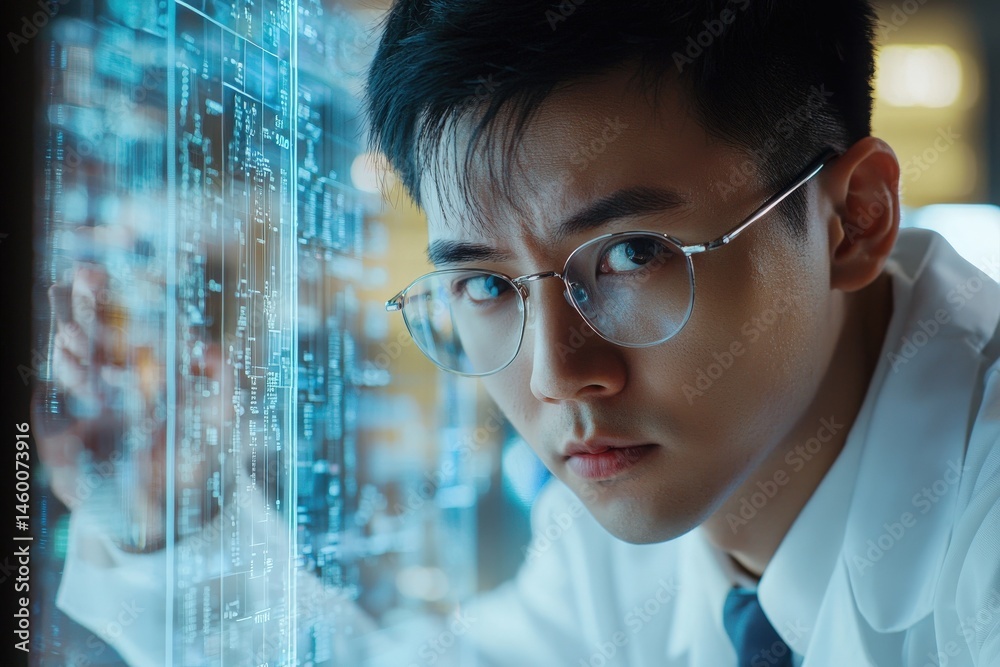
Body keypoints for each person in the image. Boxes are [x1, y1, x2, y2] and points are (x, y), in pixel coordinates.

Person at [46, 0, 1000, 665]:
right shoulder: (636, 526)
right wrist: (174, 523)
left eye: (632, 256)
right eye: (485, 284)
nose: (556, 374)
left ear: (854, 219)